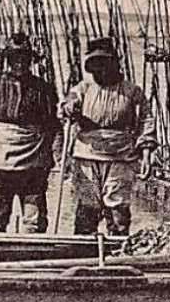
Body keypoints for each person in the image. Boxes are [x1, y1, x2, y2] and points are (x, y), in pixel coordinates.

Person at [0, 32, 59, 233]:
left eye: (24, 58)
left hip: (33, 158)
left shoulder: (43, 90)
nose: (20, 63)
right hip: (0, 158)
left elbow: (52, 126)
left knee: (34, 219)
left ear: (31, 61)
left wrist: (56, 155)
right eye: (15, 58)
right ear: (8, 60)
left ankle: (35, 258)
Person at [59, 36, 156, 236]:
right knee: (87, 205)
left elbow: (146, 122)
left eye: (105, 63)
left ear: (114, 63)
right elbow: (67, 105)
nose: (101, 70)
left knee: (118, 205)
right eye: (96, 64)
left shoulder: (132, 92)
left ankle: (117, 247)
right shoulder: (83, 88)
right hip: (87, 154)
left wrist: (146, 156)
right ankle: (84, 251)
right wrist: (69, 107)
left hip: (120, 156)